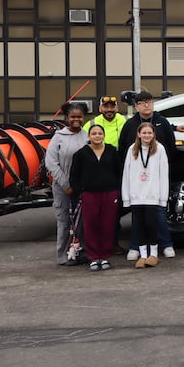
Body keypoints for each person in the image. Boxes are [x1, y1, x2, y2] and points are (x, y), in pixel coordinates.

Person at [118, 91, 178, 261]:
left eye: (149, 102)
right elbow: (123, 151)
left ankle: (166, 245)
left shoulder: (162, 122)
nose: (146, 105)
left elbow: (171, 148)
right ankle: (135, 247)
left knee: (159, 215)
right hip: (137, 183)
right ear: (136, 106)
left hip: (155, 181)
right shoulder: (130, 125)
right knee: (137, 217)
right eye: (142, 102)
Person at [69, 124, 121, 271]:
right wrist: (79, 192)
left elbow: (119, 172)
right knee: (91, 226)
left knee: (107, 225)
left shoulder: (112, 152)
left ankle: (104, 256)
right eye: (94, 133)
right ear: (89, 136)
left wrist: (117, 190)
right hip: (89, 194)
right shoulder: (81, 154)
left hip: (109, 194)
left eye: (100, 133)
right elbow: (74, 176)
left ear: (104, 136)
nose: (97, 136)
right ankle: (93, 257)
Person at [45, 102, 90, 266]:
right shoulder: (58, 137)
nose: (76, 119)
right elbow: (51, 163)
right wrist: (66, 185)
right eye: (73, 117)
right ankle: (62, 255)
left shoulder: (87, 136)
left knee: (82, 222)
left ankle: (80, 252)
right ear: (67, 118)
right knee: (64, 222)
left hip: (83, 187)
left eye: (79, 117)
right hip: (63, 188)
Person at [84, 94, 127, 256]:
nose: (109, 110)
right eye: (106, 107)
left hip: (116, 169)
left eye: (112, 107)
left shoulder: (123, 121)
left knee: (113, 212)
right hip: (96, 170)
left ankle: (112, 244)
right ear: (100, 108)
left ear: (116, 108)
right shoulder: (91, 124)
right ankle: (93, 248)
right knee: (94, 214)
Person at [122, 122, 169, 268]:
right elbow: (126, 173)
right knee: (139, 225)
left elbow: (164, 174)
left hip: (152, 195)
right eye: (144, 133)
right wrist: (126, 196)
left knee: (151, 224)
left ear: (154, 134)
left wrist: (163, 197)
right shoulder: (132, 149)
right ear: (138, 134)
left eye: (150, 133)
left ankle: (153, 254)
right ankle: (143, 255)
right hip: (136, 195)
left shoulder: (159, 149)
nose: (147, 135)